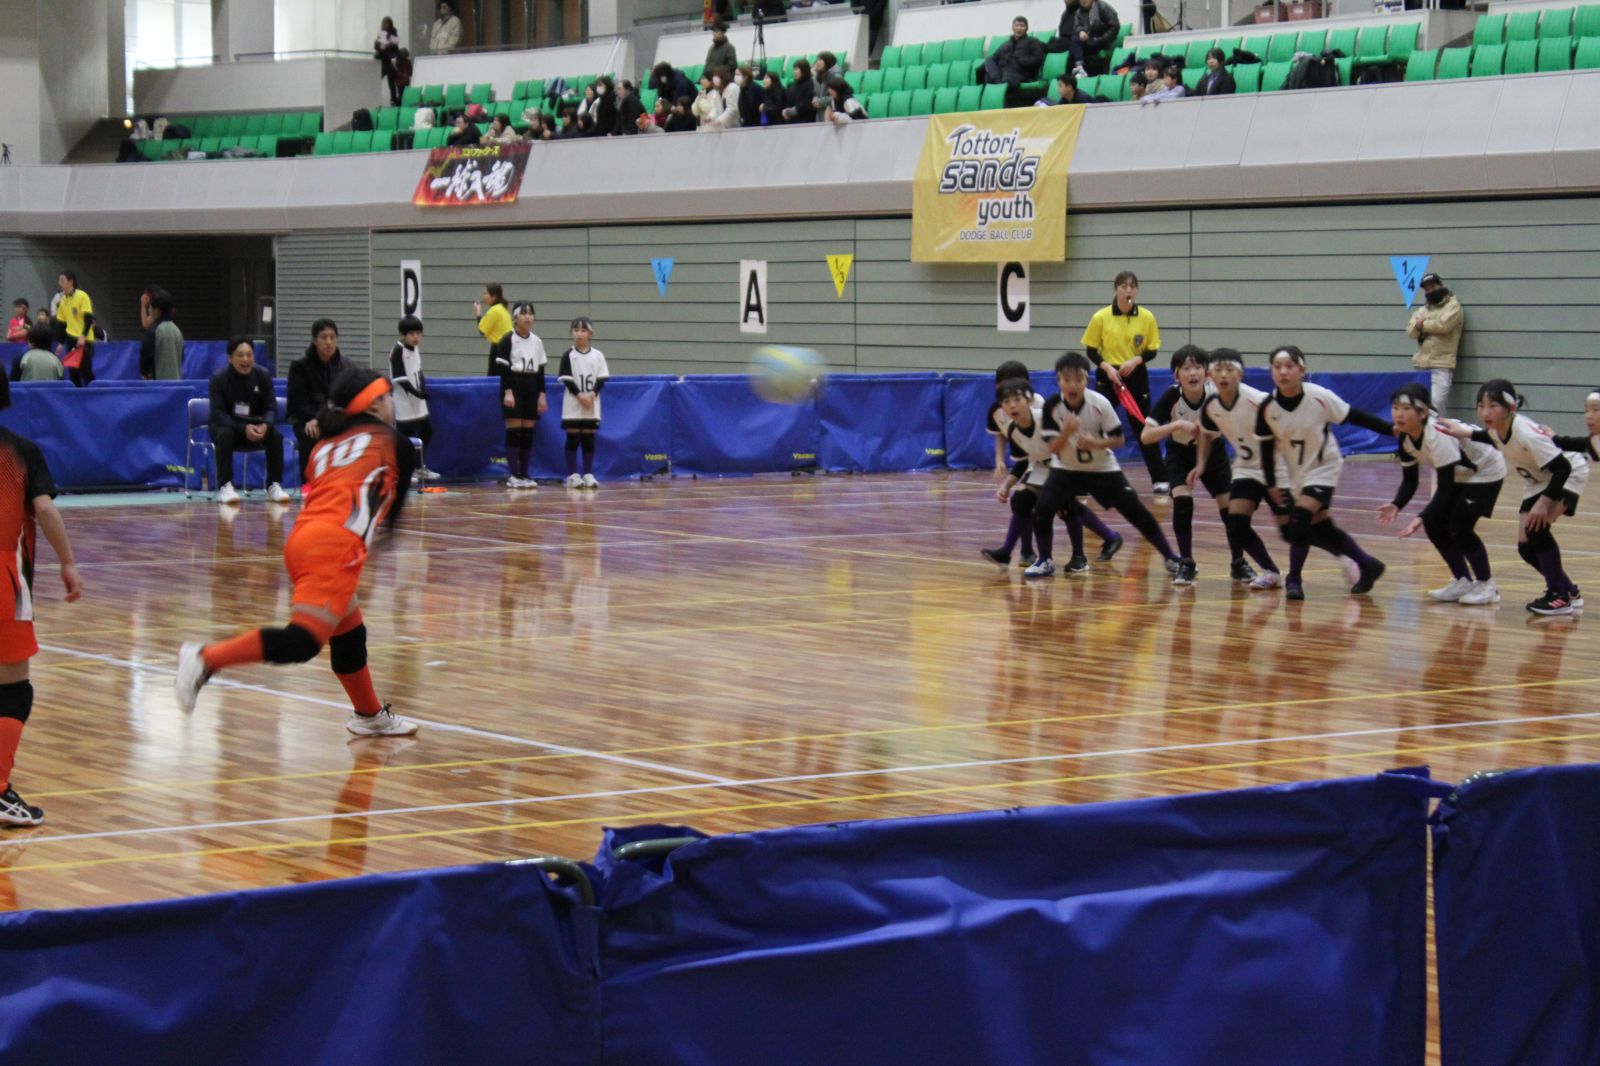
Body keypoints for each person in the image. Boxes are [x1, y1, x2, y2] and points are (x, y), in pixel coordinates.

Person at [176, 367, 420, 738]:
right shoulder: (394, 443)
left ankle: (369, 715)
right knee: (302, 641)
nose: (393, 405)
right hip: (335, 546)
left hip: (303, 539)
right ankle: (206, 659)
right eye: (388, 397)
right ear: (373, 405)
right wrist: (387, 536)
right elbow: (394, 509)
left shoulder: (323, 446)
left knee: (349, 632)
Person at [0, 372, 82, 826]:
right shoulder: (21, 451)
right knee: (13, 689)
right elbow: (45, 508)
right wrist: (68, 562)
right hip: (5, 581)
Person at [1254, 344, 1394, 601]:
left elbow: (1355, 416)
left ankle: (1294, 579)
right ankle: (1368, 564)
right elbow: (1265, 448)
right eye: (1277, 367)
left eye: (1289, 366)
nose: (1283, 372)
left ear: (1302, 370)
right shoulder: (1268, 407)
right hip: (1298, 472)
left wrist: (1391, 430)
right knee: (1322, 528)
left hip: (1325, 466)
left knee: (1300, 519)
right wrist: (1271, 483)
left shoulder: (1319, 397)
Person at [1438, 381, 1589, 616]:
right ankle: (1569, 591)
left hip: (1568, 472)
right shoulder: (1498, 428)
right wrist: (1464, 432)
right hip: (1539, 479)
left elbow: (1563, 467)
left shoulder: (1525, 432)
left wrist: (1544, 502)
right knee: (1525, 547)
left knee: (1537, 531)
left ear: (1510, 408)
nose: (1485, 412)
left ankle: (1559, 596)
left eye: (1493, 406)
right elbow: (1490, 437)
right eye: (1481, 405)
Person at [1026, 352, 1180, 578]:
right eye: (1067, 380)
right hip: (1066, 469)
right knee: (1042, 509)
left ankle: (1170, 557)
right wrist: (1066, 432)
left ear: (1086, 379)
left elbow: (1119, 439)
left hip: (1101, 468)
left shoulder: (1099, 403)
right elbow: (1053, 448)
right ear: (1058, 380)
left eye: (1078, 379)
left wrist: (1095, 443)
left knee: (1137, 512)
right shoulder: (1051, 407)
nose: (1072, 385)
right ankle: (1045, 560)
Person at [1378, 383, 1504, 606]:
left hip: (1486, 469)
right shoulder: (1405, 438)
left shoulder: (1437, 434)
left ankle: (1487, 585)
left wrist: (1421, 516)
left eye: (1406, 408)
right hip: (1459, 474)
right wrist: (1397, 504)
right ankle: (1462, 580)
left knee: (1460, 526)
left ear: (1423, 412)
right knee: (1435, 523)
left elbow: (1445, 488)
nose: (1398, 414)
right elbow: (1410, 480)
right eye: (1395, 408)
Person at [1141, 345, 1244, 586]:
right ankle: (1186, 562)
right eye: (1186, 368)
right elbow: (1146, 436)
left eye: (1197, 367)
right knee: (1183, 503)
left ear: (1207, 372)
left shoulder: (1217, 394)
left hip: (1214, 454)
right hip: (1179, 454)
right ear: (1177, 375)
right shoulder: (1172, 396)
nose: (1193, 373)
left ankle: (1239, 563)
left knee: (1230, 509)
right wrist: (1177, 425)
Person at [1191, 348, 1287, 590]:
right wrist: (1201, 464)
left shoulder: (1259, 401)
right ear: (1209, 375)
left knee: (1292, 529)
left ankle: (1352, 557)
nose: (1223, 375)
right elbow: (1206, 433)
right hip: (1247, 469)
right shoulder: (1212, 405)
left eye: (1229, 369)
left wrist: (1272, 461)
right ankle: (1271, 571)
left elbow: (1285, 430)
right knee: (1236, 524)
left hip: (1278, 468)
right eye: (1218, 370)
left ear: (1241, 374)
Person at [1081, 271, 1168, 492]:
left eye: (1132, 286)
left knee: (1144, 426)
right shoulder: (1100, 317)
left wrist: (1135, 361)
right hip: (1108, 376)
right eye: (1123, 286)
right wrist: (1108, 367)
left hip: (1136, 376)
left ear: (1137, 290)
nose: (1128, 290)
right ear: (1116, 289)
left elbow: (1152, 350)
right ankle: (1087, 477)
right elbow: (1091, 351)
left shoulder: (1147, 317)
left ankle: (1160, 479)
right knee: (1096, 426)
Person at [208, 337, 291, 505]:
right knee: (225, 435)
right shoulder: (218, 379)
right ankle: (225, 486)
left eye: (249, 355)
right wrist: (242, 428)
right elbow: (218, 413)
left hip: (256, 426)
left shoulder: (263, 375)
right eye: (240, 355)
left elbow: (271, 407)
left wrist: (266, 424)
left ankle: (274, 485)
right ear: (230, 358)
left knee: (275, 437)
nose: (245, 359)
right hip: (228, 426)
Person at [489, 302, 548, 490]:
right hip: (514, 384)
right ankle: (513, 474)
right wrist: (508, 392)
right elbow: (503, 369)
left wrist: (542, 395)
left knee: (527, 432)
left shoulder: (537, 341)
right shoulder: (508, 339)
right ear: (515, 318)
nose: (528, 317)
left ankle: (524, 473)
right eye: (524, 314)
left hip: (531, 385)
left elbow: (540, 371)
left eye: (531, 313)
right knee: (514, 431)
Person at [287, 318, 347, 480]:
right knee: (311, 434)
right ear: (314, 340)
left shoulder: (345, 365)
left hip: (334, 418)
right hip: (306, 419)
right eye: (323, 337)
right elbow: (298, 401)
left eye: (332, 337)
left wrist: (324, 419)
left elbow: (344, 398)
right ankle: (309, 483)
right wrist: (314, 419)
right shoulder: (299, 366)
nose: (328, 342)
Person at [559, 316, 609, 489]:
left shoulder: (598, 355)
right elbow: (567, 379)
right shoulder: (568, 355)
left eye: (583, 330)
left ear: (590, 333)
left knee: (588, 438)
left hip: (591, 403)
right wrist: (580, 395)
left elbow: (601, 378)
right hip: (573, 403)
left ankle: (588, 473)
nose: (579, 334)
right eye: (576, 330)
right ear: (571, 333)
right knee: (572, 438)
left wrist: (592, 394)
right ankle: (573, 475)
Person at [388, 315, 439, 481]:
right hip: (404, 404)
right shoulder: (398, 351)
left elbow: (418, 372)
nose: (416, 337)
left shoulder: (415, 350)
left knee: (426, 433)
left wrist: (422, 389)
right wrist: (416, 393)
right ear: (403, 334)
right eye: (412, 334)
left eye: (418, 333)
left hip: (419, 404)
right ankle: (404, 470)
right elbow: (401, 379)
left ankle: (419, 467)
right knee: (405, 439)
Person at [1407, 272, 1463, 414]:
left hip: (1441, 365)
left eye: (1433, 287)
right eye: (1427, 289)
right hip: (1421, 365)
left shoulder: (1453, 306)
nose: (1430, 291)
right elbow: (1411, 331)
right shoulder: (1423, 309)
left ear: (1441, 285)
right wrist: (1419, 326)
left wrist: (1422, 324)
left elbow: (1443, 325)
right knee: (1417, 406)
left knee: (1435, 407)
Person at [1052, 0, 1120, 77]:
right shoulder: (1079, 11)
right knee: (1073, 41)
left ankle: (1079, 67)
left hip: (1102, 40)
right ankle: (1079, 68)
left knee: (1074, 47)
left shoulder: (1102, 7)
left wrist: (1104, 38)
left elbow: (1114, 26)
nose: (1083, 1)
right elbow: (1077, 26)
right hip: (1089, 39)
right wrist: (1081, 32)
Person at [982, 18, 1046, 93]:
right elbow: (993, 58)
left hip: (1019, 74)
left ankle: (999, 84)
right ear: (1012, 27)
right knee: (988, 62)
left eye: (1022, 26)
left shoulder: (1032, 41)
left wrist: (1020, 60)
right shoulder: (1006, 44)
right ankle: (998, 82)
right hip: (1002, 73)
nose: (1019, 28)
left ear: (1027, 28)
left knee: (1003, 79)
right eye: (1017, 25)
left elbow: (1038, 58)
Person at [139, 288, 184, 380]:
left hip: (159, 385)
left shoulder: (154, 331)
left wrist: (145, 373)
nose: (149, 310)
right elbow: (182, 357)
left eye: (150, 307)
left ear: (157, 310)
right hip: (177, 384)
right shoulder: (177, 331)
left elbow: (146, 356)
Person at [52, 271, 93, 365]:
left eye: (62, 280)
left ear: (71, 282)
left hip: (84, 340)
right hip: (71, 339)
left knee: (86, 370)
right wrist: (61, 343)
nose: (59, 283)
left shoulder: (82, 296)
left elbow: (88, 319)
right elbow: (62, 324)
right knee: (73, 370)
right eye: (59, 280)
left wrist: (83, 336)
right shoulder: (62, 301)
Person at [476, 283, 512, 374]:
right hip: (508, 348)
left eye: (485, 293)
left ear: (494, 296)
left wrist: (478, 313)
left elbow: (482, 330)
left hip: (498, 349)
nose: (483, 296)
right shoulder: (503, 308)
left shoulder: (494, 310)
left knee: (493, 377)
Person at [375, 16, 402, 105]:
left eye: (386, 23)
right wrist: (379, 45)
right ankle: (392, 98)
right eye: (384, 23)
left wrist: (389, 45)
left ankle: (393, 99)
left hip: (389, 59)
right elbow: (376, 45)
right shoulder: (380, 33)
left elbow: (395, 45)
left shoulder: (393, 33)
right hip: (383, 59)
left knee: (391, 80)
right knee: (385, 78)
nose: (385, 25)